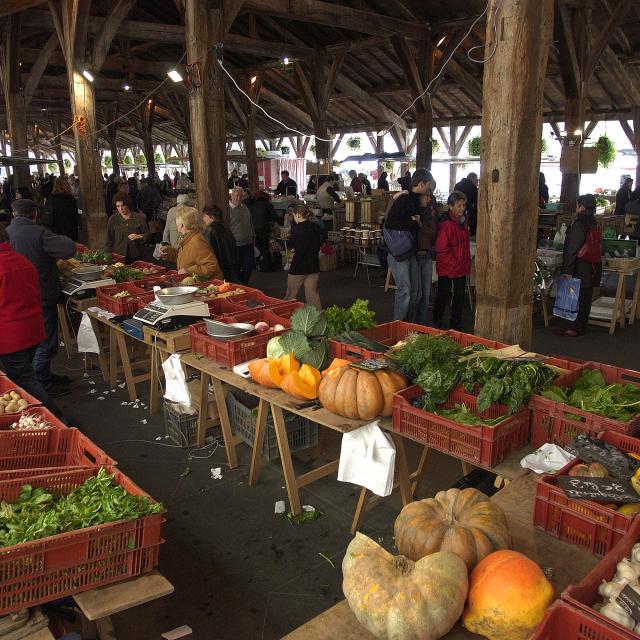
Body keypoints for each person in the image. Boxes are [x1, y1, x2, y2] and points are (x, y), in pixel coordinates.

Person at [7, 199, 76, 392]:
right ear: (35, 214)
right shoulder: (38, 233)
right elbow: (68, 248)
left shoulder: (8, 233)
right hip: (42, 293)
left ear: (14, 214)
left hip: (18, 297)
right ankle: (42, 384)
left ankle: (43, 376)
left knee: (31, 341)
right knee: (45, 341)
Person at [0, 222, 58, 413]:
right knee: (26, 376)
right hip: (32, 330)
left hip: (12, 337)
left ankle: (57, 419)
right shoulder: (21, 261)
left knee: (23, 380)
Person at [384, 168, 434, 321]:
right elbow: (391, 222)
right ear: (421, 184)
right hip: (399, 252)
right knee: (405, 291)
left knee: (416, 293)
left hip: (409, 251)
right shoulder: (405, 199)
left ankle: (407, 325)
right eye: (429, 186)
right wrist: (413, 223)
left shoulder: (414, 199)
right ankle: (399, 327)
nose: (430, 190)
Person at [561, 194, 602, 336]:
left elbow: (572, 248)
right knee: (585, 297)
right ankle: (582, 325)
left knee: (575, 297)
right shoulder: (594, 222)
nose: (576, 208)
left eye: (577, 205)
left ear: (582, 206)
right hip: (592, 266)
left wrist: (567, 269)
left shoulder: (580, 223)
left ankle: (575, 327)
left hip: (580, 266)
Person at [433, 191, 471, 330]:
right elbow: (441, 249)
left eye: (463, 205)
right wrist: (455, 262)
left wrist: (463, 261)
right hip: (448, 266)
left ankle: (455, 323)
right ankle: (437, 319)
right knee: (443, 293)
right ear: (450, 206)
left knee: (459, 296)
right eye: (459, 205)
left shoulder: (463, 221)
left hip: (460, 265)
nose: (462, 208)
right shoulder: (446, 224)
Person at [160, 205, 222, 279]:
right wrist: (168, 251)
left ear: (182, 224)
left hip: (204, 286)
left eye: (176, 220)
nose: (175, 223)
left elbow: (211, 266)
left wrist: (188, 271)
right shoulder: (186, 237)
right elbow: (184, 257)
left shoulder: (196, 241)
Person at [285, 204, 323, 310]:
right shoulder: (316, 227)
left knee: (290, 295)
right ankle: (317, 318)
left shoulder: (296, 230)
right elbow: (321, 241)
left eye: (293, 215)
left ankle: (283, 315)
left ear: (297, 214)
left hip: (298, 266)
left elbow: (291, 245)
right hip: (313, 265)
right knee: (312, 295)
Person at [415, 189, 438, 326]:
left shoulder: (429, 213)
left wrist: (420, 225)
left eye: (429, 196)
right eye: (426, 196)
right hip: (413, 256)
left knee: (425, 294)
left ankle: (421, 325)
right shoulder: (411, 211)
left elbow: (432, 233)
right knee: (415, 294)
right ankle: (411, 326)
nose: (428, 199)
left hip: (426, 255)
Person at [105, 194, 149, 260]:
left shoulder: (139, 218)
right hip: (119, 255)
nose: (121, 208)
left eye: (123, 205)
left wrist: (139, 236)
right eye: (118, 206)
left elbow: (147, 235)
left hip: (137, 254)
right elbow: (109, 240)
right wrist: (107, 256)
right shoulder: (113, 219)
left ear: (128, 205)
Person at [202, 206, 240, 282]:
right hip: (231, 270)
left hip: (218, 271)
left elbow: (208, 253)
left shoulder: (209, 231)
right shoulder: (226, 229)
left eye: (205, 216)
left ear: (212, 217)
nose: (203, 219)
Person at [229, 187, 255, 284]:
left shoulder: (245, 207)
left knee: (249, 266)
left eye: (241, 196)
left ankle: (243, 284)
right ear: (232, 195)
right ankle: (240, 285)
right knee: (236, 268)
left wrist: (253, 236)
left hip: (248, 243)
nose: (239, 198)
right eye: (237, 196)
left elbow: (250, 223)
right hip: (236, 245)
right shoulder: (228, 210)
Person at [246, 190, 276, 272]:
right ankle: (266, 267)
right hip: (263, 229)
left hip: (253, 229)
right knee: (265, 248)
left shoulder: (250, 204)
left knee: (256, 247)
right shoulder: (267, 204)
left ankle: (256, 265)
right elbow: (274, 216)